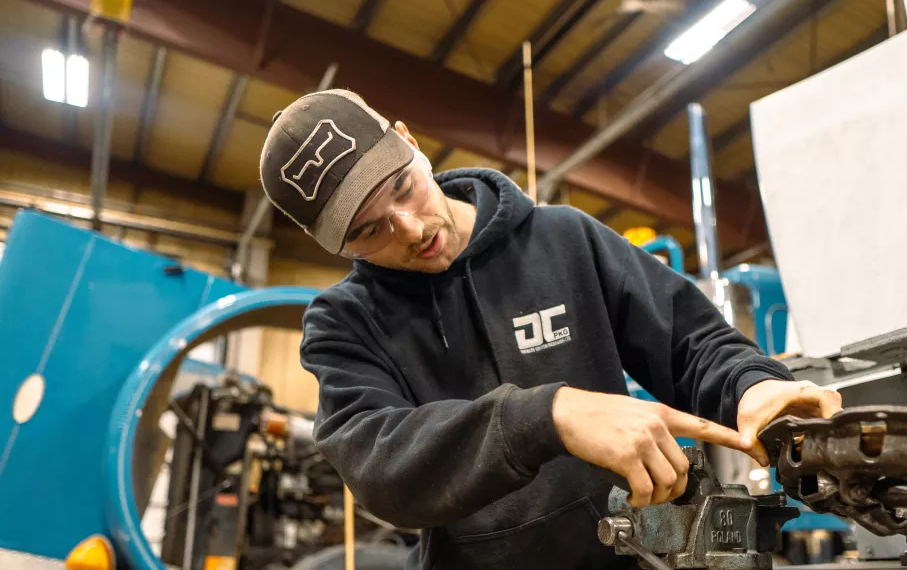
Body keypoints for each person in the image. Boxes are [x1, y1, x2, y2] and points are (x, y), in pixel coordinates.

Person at [258, 89, 842, 570]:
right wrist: (547, 416)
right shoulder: (344, 321)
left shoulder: (565, 239)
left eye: (403, 189)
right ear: (330, 245)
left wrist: (752, 386)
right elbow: (382, 469)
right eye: (369, 232)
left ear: (410, 143)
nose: (409, 229)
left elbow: (690, 343)